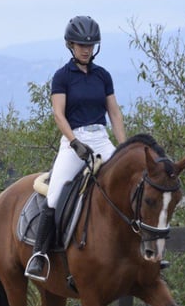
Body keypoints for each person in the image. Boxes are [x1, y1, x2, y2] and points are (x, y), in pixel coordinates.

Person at [25, 15, 127, 281]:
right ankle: (40, 254)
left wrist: (124, 148)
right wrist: (73, 142)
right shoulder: (62, 77)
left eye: (91, 45)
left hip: (101, 138)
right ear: (70, 45)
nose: (86, 49)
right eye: (81, 44)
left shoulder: (103, 76)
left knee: (128, 183)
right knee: (56, 193)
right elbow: (59, 114)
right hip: (74, 141)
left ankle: (137, 249)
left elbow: (115, 114)